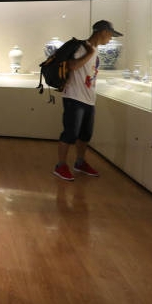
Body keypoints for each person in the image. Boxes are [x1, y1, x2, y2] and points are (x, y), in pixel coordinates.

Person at [53, 19, 122, 182]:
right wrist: (89, 53)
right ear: (103, 32)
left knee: (85, 135)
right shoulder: (83, 47)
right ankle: (60, 165)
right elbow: (72, 66)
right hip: (74, 97)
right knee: (70, 133)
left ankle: (80, 162)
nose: (110, 39)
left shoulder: (95, 49)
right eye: (110, 35)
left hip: (89, 99)